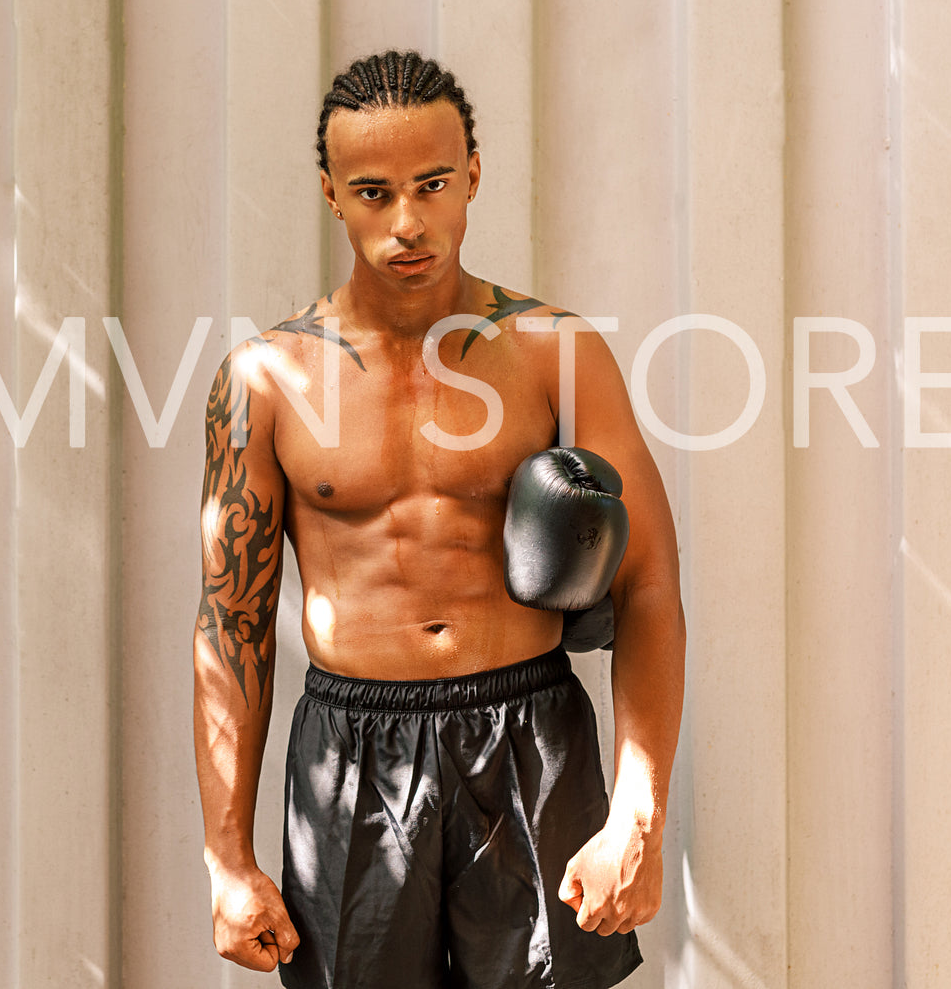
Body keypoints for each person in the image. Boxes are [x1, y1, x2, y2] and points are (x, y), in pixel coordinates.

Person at [193, 51, 686, 989]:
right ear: (331, 193)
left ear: (471, 176)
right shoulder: (264, 380)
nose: (406, 222)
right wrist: (228, 858)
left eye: (431, 185)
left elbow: (649, 583)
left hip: (528, 732)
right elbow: (230, 622)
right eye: (373, 192)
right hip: (350, 750)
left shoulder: (552, 351)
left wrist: (636, 814)